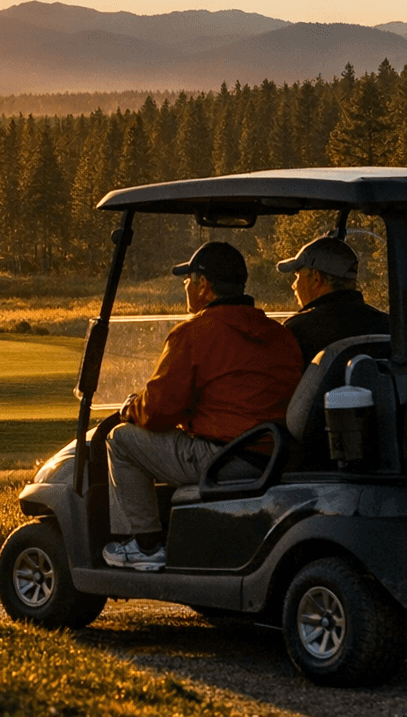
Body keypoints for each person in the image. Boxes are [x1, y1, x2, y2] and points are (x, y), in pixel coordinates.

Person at [103, 242, 304, 570]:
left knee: (122, 439)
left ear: (203, 286)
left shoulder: (194, 333)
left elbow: (156, 411)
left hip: (224, 458)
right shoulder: (278, 334)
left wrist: (130, 409)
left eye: (188, 280)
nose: (185, 287)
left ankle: (145, 545)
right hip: (274, 453)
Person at [277, 235, 391, 366]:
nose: (294, 285)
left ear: (316, 278)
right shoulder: (387, 325)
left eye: (297, 275)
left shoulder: (297, 330)